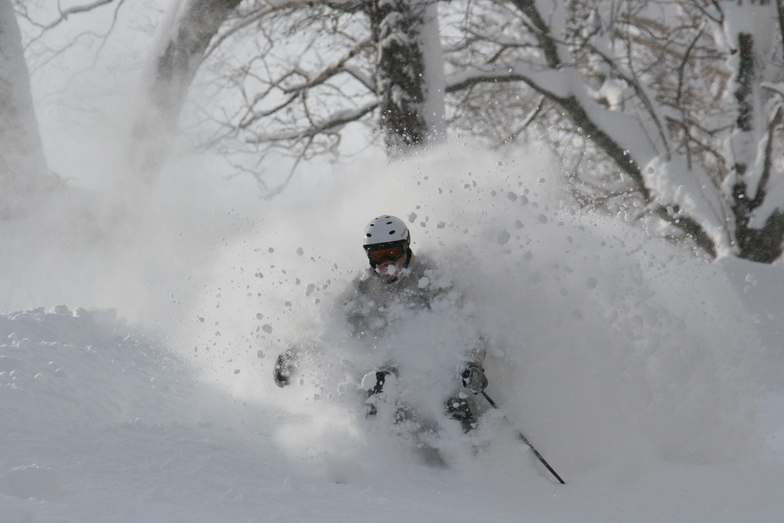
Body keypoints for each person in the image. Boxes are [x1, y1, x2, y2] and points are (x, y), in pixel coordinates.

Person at [274, 215, 488, 432]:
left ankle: (470, 451)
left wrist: (473, 365)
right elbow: (332, 325)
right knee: (378, 385)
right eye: (377, 255)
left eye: (392, 253)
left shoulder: (430, 278)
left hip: (435, 370)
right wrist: (295, 353)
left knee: (452, 402)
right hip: (392, 370)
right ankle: (393, 453)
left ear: (405, 248)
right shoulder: (365, 286)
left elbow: (467, 325)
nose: (386, 263)